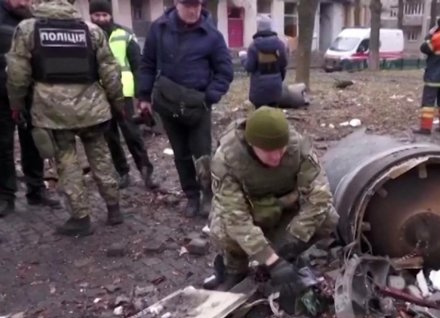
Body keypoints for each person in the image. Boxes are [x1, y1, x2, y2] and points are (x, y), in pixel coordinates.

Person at [6, 0, 125, 236]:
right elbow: (110, 71)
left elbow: (18, 74)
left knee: (66, 162)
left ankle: (81, 217)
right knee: (100, 155)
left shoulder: (28, 29)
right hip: (91, 107)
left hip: (53, 111)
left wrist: (16, 105)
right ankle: (114, 209)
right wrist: (118, 103)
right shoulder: (91, 30)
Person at [202, 106, 339, 293]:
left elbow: (320, 195)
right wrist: (271, 261)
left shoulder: (297, 147)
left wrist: (294, 237)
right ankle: (236, 270)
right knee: (223, 230)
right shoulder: (227, 159)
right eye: (268, 151)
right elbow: (235, 218)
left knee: (328, 217)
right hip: (251, 213)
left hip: (285, 208)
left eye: (280, 149)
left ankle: (288, 257)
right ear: (251, 144)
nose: (276, 157)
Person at [137, 0, 233, 218]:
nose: (193, 10)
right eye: (188, 5)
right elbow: (147, 64)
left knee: (203, 154)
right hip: (168, 103)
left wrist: (210, 96)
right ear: (176, 4)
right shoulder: (159, 29)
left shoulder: (212, 36)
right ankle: (191, 196)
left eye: (197, 5)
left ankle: (208, 196)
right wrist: (143, 96)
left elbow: (225, 71)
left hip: (198, 106)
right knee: (180, 154)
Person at [0, 0, 60, 217]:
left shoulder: (33, 19)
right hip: (2, 92)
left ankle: (36, 190)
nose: (25, 1)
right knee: (3, 146)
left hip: (31, 92)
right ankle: (6, 196)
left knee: (34, 142)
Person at [89, 0, 157, 190]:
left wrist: (141, 94)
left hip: (124, 94)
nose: (101, 19)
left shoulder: (124, 34)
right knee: (110, 138)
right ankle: (123, 173)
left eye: (104, 15)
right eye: (96, 15)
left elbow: (137, 65)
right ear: (91, 16)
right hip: (99, 95)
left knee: (132, 135)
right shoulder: (86, 35)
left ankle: (146, 172)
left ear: (110, 15)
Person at [243, 15, 288, 108]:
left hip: (259, 90)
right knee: (274, 113)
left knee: (260, 115)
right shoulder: (280, 44)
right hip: (275, 88)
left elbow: (249, 67)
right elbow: (284, 64)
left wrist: (243, 57)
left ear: (258, 28)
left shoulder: (254, 46)